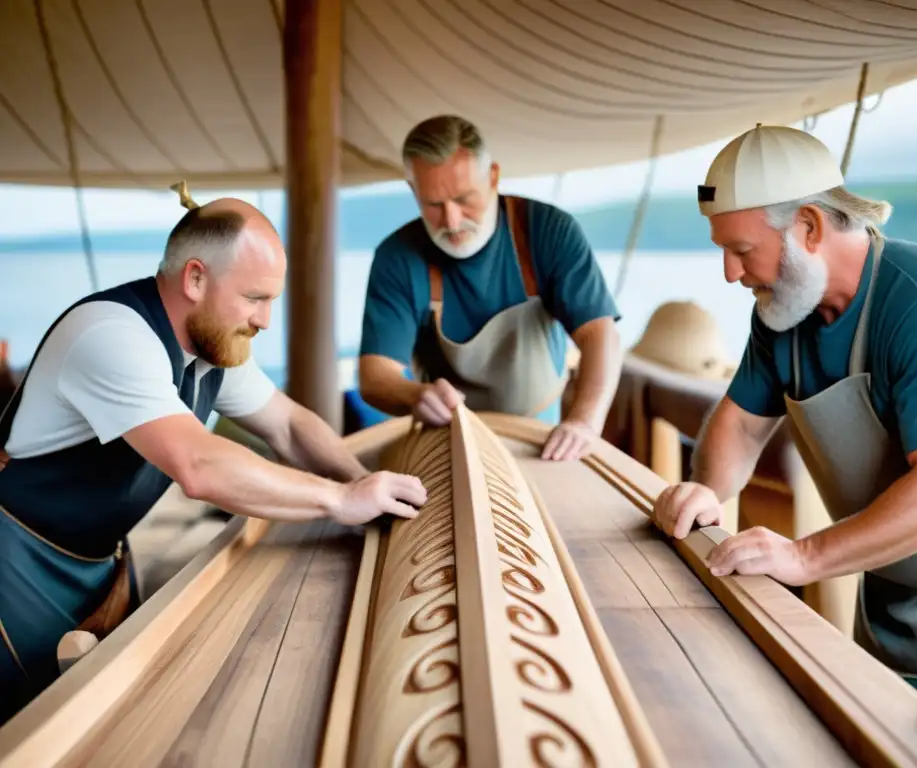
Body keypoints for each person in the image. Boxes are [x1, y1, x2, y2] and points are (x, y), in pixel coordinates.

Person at [652, 124, 917, 741]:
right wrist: (705, 493)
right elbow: (741, 425)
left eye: (742, 250)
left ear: (809, 226)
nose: (728, 272)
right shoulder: (782, 313)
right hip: (887, 602)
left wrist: (803, 557)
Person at [0, 188, 426, 724]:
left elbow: (289, 425)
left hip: (99, 561)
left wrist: (365, 482)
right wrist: (340, 500)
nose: (266, 320)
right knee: (26, 725)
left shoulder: (212, 349)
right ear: (195, 278)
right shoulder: (110, 335)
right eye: (255, 298)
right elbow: (197, 466)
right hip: (15, 566)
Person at [358, 115, 623, 462]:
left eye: (464, 198)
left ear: (493, 176)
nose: (451, 221)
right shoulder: (397, 257)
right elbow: (375, 375)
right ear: (413, 191)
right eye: (433, 205)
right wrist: (413, 395)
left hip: (542, 442)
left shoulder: (547, 231)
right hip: (446, 444)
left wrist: (584, 423)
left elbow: (600, 334)